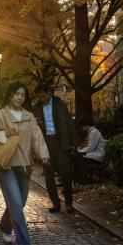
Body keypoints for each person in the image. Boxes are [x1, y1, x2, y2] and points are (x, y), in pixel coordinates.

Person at [0, 81, 50, 245]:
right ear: (10, 94)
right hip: (6, 165)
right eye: (16, 94)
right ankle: (25, 244)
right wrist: (3, 134)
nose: (19, 97)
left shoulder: (28, 116)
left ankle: (5, 226)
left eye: (22, 95)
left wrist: (43, 154)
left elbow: (37, 137)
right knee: (16, 203)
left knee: (20, 202)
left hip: (25, 165)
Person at [33, 83, 77, 214]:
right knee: (48, 176)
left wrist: (73, 144)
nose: (42, 99)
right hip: (45, 144)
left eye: (43, 96)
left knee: (66, 173)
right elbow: (34, 129)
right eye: (39, 97)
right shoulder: (36, 108)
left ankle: (69, 204)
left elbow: (69, 123)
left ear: (49, 92)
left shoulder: (60, 103)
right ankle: (56, 204)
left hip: (61, 143)